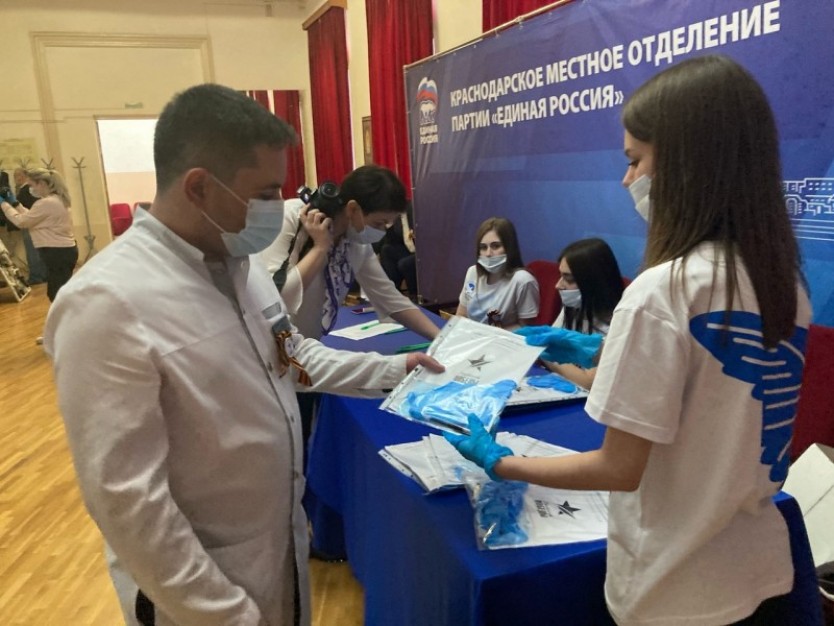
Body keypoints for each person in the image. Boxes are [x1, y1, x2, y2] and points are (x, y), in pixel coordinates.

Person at [42, 84, 442, 626]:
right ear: (200, 187)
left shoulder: (242, 267)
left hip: (275, 550)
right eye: (266, 192)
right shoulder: (106, 302)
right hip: (199, 588)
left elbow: (293, 357)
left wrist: (393, 368)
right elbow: (129, 501)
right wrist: (227, 615)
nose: (281, 206)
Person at [447, 55, 810, 625]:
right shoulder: (782, 282)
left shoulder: (662, 290)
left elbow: (617, 468)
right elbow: (714, 385)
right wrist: (603, 352)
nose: (626, 180)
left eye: (635, 160)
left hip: (674, 586)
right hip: (756, 569)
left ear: (689, 163)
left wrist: (503, 463)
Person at [260, 165, 439, 342]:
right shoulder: (292, 217)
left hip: (305, 346)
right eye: (378, 223)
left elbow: (390, 299)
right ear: (353, 209)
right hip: (270, 343)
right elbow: (275, 298)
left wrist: (440, 338)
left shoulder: (356, 241)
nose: (382, 231)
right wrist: (320, 248)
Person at [543, 237, 624, 389]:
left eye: (569, 279)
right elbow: (550, 342)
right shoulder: (573, 306)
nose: (558, 285)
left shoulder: (618, 321)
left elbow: (588, 381)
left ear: (594, 281)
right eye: (561, 276)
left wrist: (545, 352)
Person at [0, 167, 78, 303]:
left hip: (57, 252)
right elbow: (32, 216)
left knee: (56, 294)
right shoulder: (56, 200)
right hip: (63, 251)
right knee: (58, 291)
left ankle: (67, 315)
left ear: (41, 183)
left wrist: (3, 204)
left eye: (31, 185)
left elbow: (22, 221)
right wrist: (15, 203)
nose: (31, 189)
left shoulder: (46, 203)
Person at [455, 216, 539, 329]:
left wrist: (489, 335)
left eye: (496, 246)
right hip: (471, 337)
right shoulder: (473, 273)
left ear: (509, 248)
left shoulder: (523, 281)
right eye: (483, 247)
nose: (488, 253)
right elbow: (461, 314)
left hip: (503, 339)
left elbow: (525, 328)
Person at [13, 167, 48, 284]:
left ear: (24, 176)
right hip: (36, 223)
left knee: (32, 251)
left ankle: (36, 276)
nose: (15, 178)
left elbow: (27, 208)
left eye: (17, 175)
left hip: (29, 223)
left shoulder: (25, 190)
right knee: (37, 250)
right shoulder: (29, 190)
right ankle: (43, 275)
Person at [378, 202, 417, 297]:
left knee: (405, 264)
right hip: (409, 249)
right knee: (387, 250)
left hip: (424, 251)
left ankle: (415, 295)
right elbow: (393, 240)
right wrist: (389, 225)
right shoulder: (397, 216)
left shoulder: (413, 209)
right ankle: (392, 292)